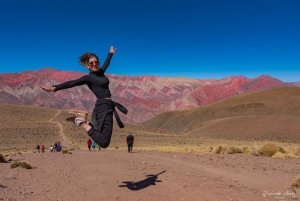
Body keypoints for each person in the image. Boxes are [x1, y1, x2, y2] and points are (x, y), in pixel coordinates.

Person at [37, 46, 127, 149]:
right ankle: (82, 123)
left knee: (101, 136)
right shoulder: (88, 78)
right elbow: (72, 83)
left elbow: (106, 63)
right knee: (104, 142)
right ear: (87, 66)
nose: (94, 64)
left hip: (106, 106)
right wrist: (54, 88)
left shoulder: (101, 73)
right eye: (91, 63)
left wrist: (110, 54)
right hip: (103, 108)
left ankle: (85, 122)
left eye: (96, 62)